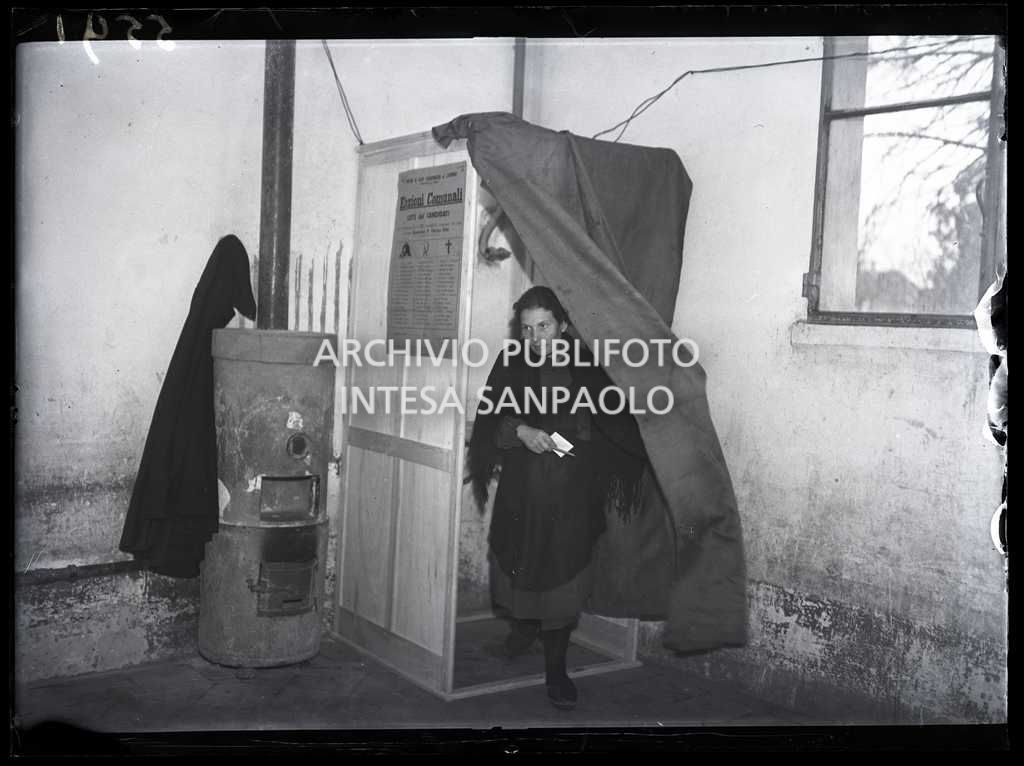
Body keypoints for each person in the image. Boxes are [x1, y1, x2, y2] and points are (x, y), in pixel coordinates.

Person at [468, 286, 645, 710]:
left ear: (563, 325)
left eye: (544, 327)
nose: (535, 339)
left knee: (562, 574)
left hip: (570, 491)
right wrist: (520, 432)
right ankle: (522, 632)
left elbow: (611, 425)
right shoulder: (511, 362)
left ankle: (556, 668)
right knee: (518, 561)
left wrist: (570, 440)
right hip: (523, 492)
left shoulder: (587, 365)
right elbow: (490, 422)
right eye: (527, 330)